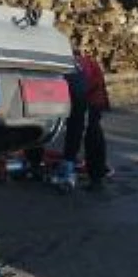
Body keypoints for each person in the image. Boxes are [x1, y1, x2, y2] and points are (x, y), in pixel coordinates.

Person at [55, 49, 111, 191]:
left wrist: (69, 158)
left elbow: (77, 125)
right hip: (79, 90)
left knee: (89, 131)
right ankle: (35, 163)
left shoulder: (76, 69)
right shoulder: (62, 65)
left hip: (90, 96)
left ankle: (96, 177)